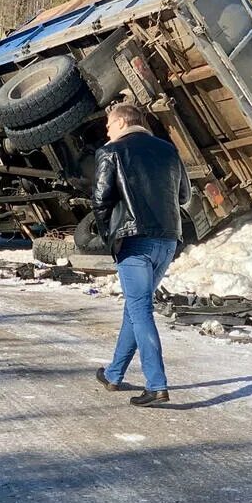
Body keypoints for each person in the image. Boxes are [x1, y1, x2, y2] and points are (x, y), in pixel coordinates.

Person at [92, 102, 190, 407]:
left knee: (140, 310)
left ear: (122, 123)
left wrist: (108, 236)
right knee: (135, 309)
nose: (106, 130)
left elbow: (100, 200)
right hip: (168, 240)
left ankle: (157, 384)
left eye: (108, 124)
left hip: (134, 241)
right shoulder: (168, 150)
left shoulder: (112, 152)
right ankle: (113, 374)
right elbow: (184, 195)